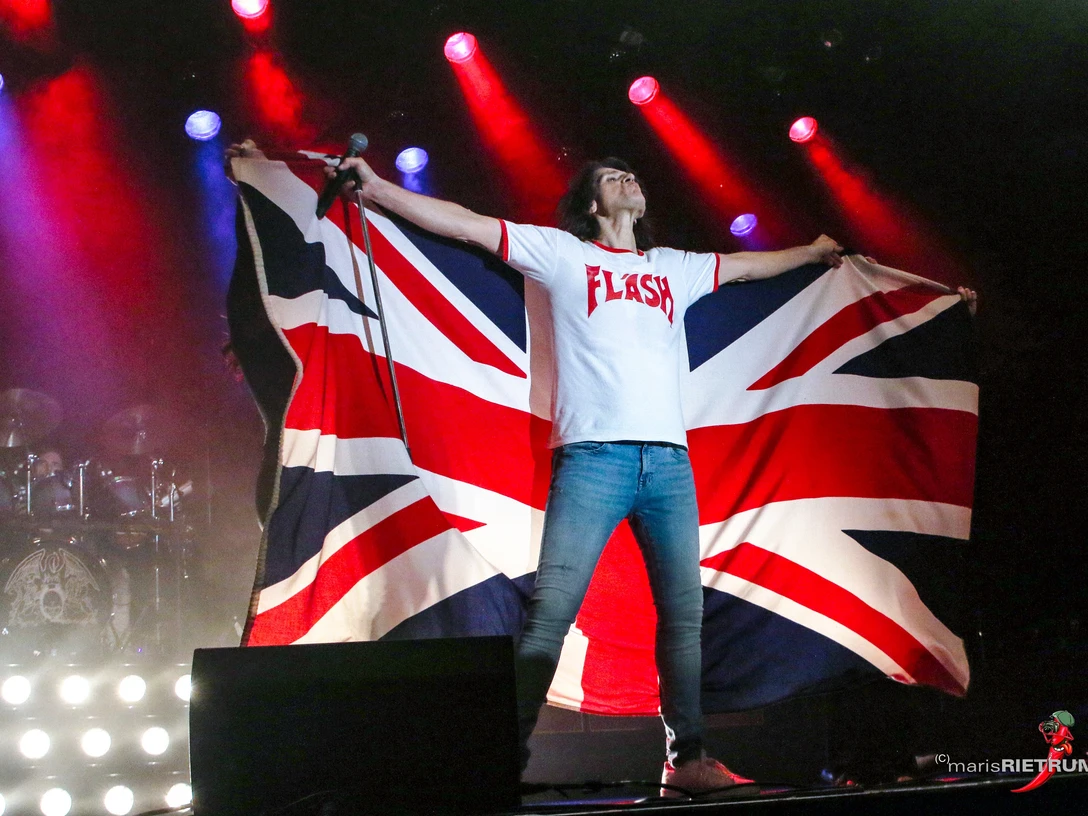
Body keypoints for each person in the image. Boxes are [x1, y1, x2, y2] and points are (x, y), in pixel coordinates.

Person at [230, 141, 977, 793]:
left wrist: (813, 255)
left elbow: (750, 267)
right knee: (550, 616)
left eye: (631, 175)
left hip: (669, 466)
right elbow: (461, 222)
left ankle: (686, 758)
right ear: (591, 200)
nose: (629, 181)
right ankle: (503, 757)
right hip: (592, 461)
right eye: (614, 176)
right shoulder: (563, 254)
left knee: (683, 619)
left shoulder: (672, 268)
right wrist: (379, 188)